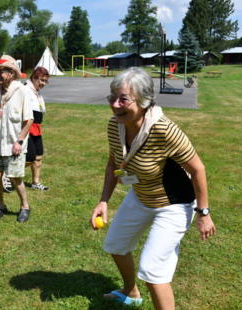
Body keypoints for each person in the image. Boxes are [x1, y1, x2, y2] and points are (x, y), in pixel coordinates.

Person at [90, 67, 215, 309]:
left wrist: (204, 213)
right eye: (112, 98)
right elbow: (113, 163)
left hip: (174, 204)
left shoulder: (164, 130)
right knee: (115, 244)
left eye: (123, 98)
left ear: (145, 101)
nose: (115, 105)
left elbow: (198, 169)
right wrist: (104, 200)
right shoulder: (115, 125)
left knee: (153, 271)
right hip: (141, 196)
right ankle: (131, 292)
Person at [0, 55, 33, 223]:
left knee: (15, 178)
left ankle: (25, 207)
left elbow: (29, 120)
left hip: (15, 145)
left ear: (12, 73)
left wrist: (19, 141)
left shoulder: (21, 91)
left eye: (2, 72)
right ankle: (0, 206)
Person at [24, 66, 50, 190]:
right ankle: (8, 175)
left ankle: (35, 183)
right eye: (41, 80)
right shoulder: (25, 89)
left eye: (45, 81)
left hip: (37, 128)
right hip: (26, 128)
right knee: (29, 158)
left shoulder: (36, 92)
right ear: (34, 77)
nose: (43, 83)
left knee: (38, 157)